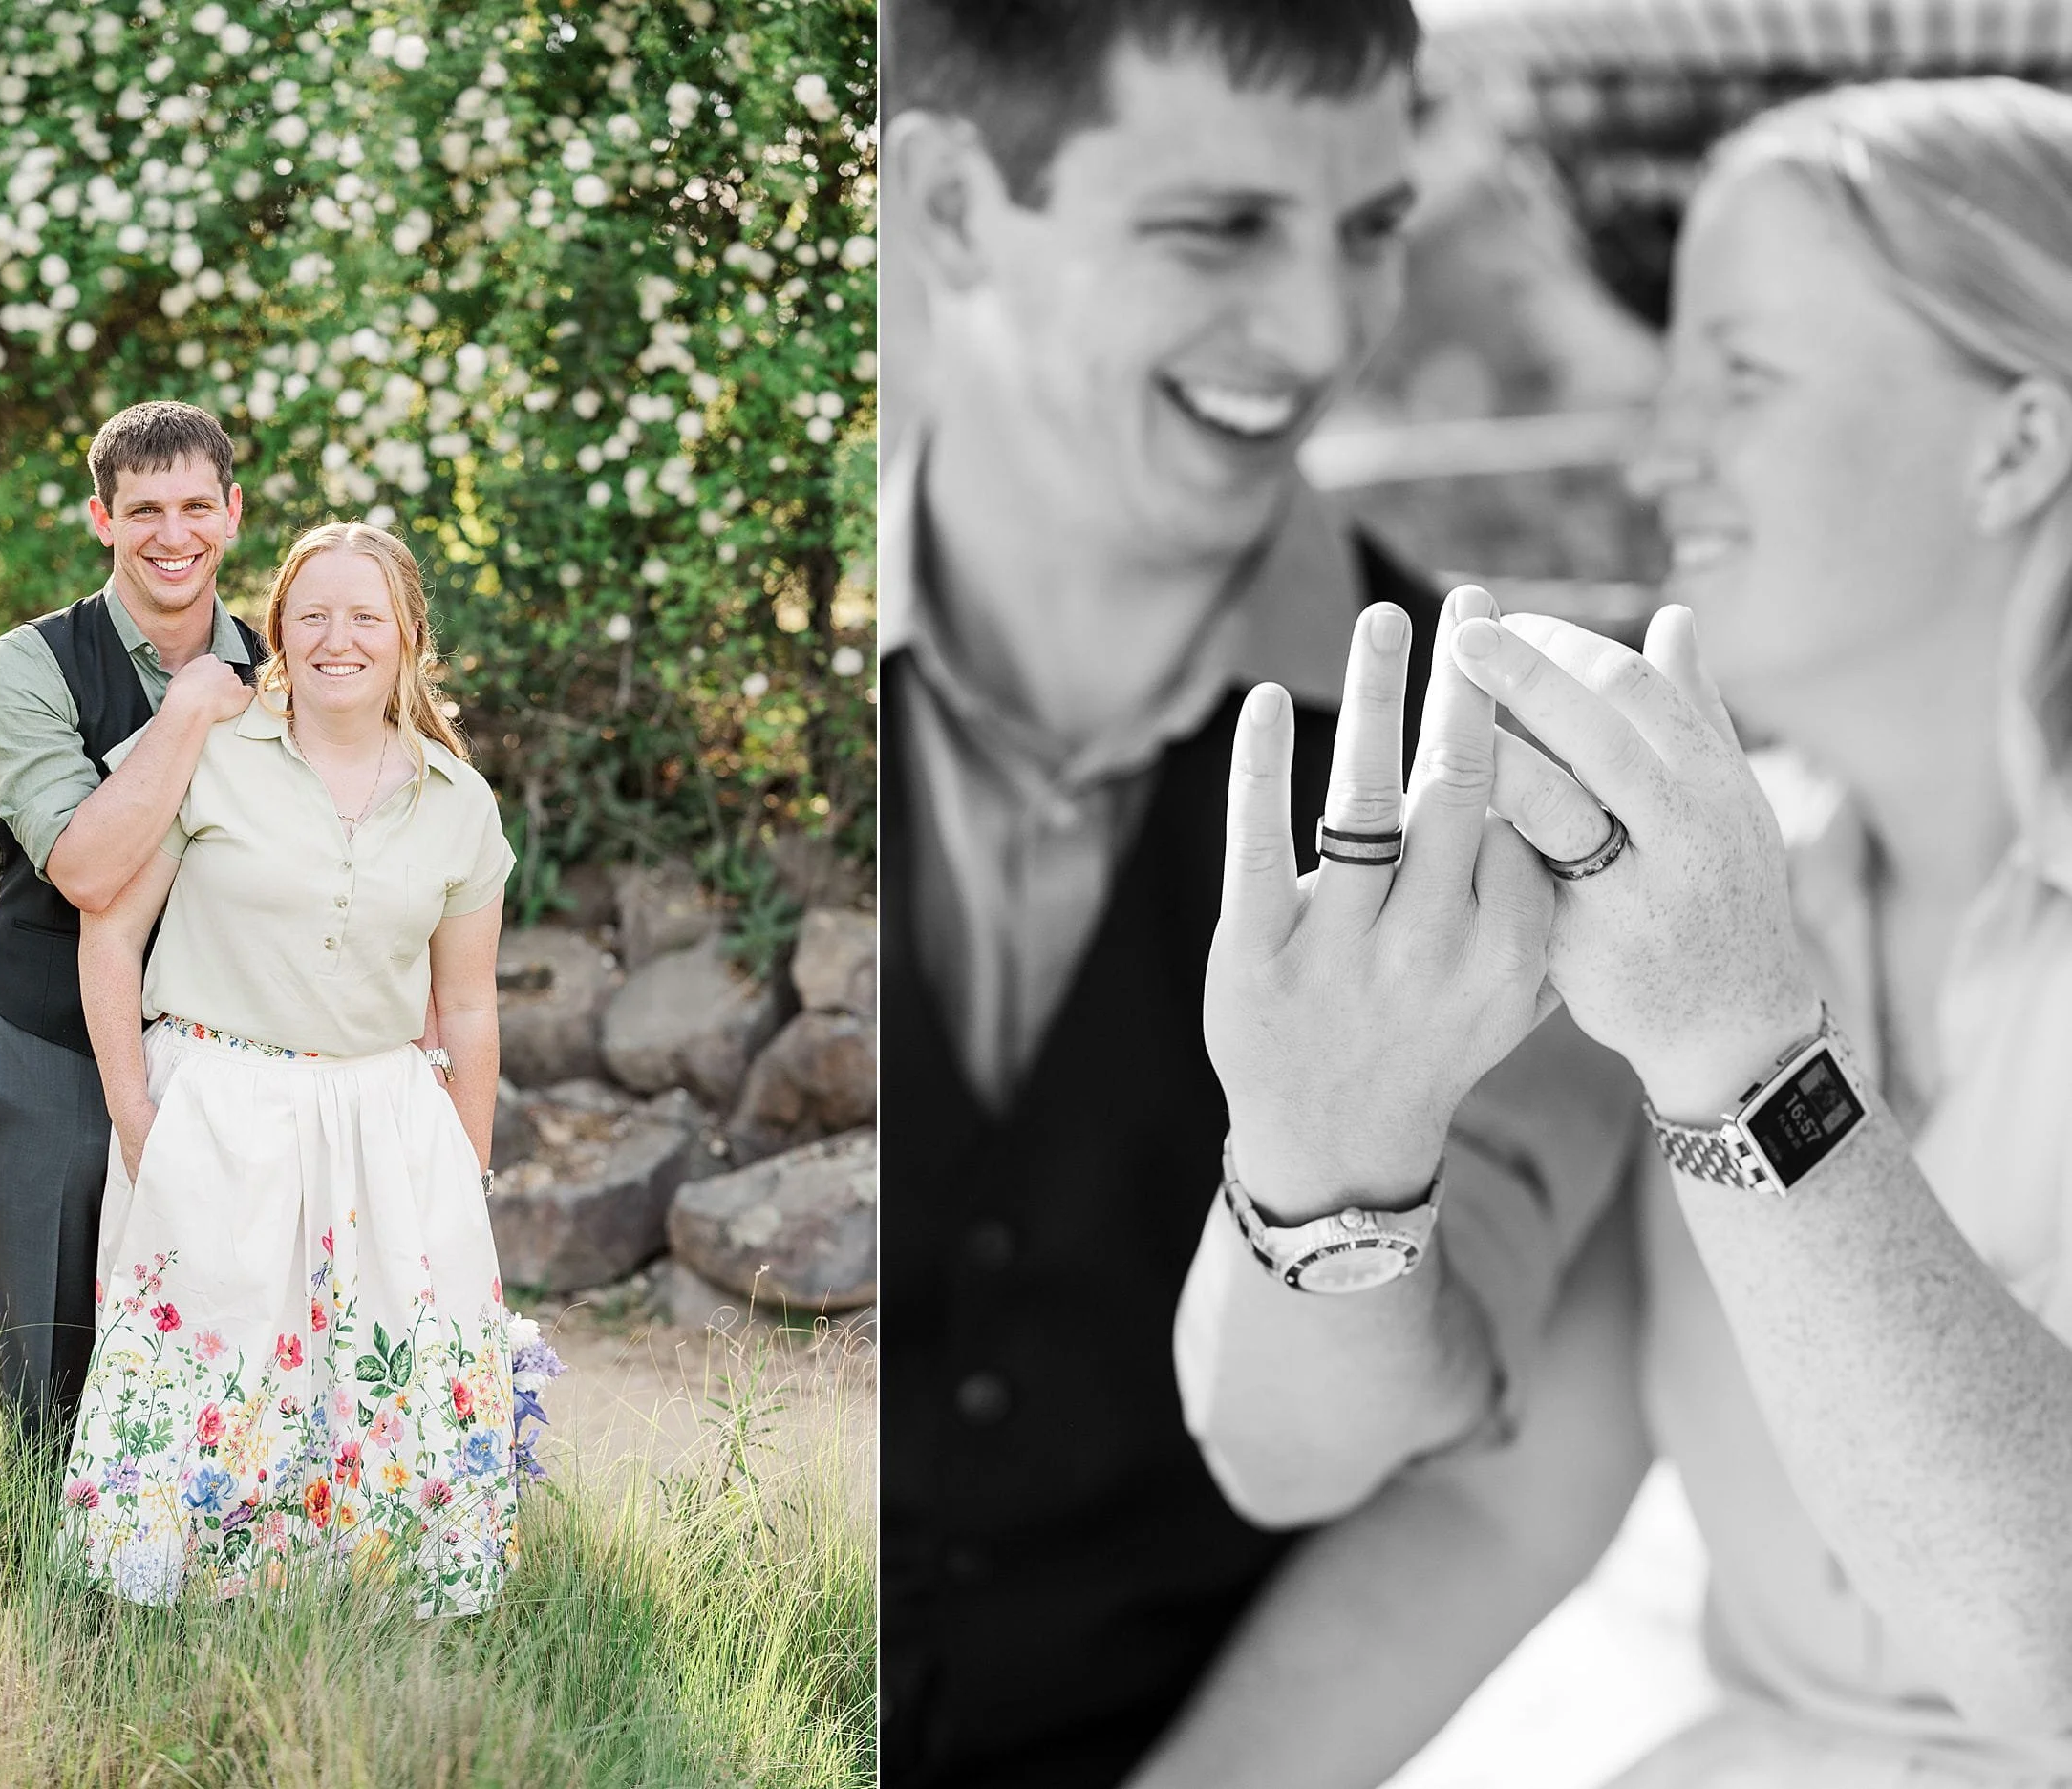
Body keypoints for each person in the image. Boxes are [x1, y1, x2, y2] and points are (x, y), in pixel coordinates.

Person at [1184, 76, 2072, 1785]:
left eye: (1741, 377)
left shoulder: (1705, 956)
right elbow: (1490, 1508)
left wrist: (1749, 1055)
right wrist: (1312, 1149)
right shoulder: (1705, 897)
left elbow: (2042, 1637)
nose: (1661, 453)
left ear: (2018, 443)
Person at [878, 4, 1641, 1782]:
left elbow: (1446, 1470)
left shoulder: (1515, 790)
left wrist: (1335, 1159)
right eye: (1217, 225)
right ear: (956, 212)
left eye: (1370, 225)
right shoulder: (735, 655)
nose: (1320, 333)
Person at [61, 520, 526, 1615]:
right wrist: (140, 1120)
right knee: (210, 1376)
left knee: (384, 1380)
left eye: (367, 615)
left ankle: (369, 1615)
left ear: (410, 636)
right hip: (217, 1101)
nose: (338, 638)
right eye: (311, 614)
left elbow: (465, 1002)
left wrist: (467, 1171)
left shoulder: (459, 803)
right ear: (278, 631)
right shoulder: (208, 754)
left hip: (384, 1115)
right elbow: (109, 937)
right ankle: (157, 1610)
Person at [0, 400, 263, 1451]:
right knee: (53, 1369)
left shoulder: (285, 675)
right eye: (143, 510)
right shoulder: (29, 666)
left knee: (222, 1343)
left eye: (194, 506)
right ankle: (45, 1596)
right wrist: (185, 712)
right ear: (102, 518)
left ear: (232, 513)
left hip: (229, 1062)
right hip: (48, 1050)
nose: (171, 534)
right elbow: (87, 869)